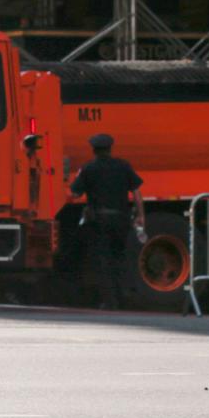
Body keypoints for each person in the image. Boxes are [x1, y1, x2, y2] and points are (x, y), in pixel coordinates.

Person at [69, 133, 145, 310]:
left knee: (103, 260)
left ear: (93, 150)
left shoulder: (89, 168)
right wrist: (141, 215)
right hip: (121, 219)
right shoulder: (123, 166)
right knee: (119, 257)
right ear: (110, 149)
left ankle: (110, 301)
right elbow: (136, 193)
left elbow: (74, 193)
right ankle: (124, 296)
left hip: (99, 221)